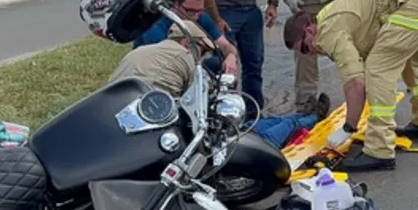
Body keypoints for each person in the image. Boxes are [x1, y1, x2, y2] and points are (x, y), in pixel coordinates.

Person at [282, 0, 418, 172]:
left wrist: (348, 128)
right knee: (411, 60)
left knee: (378, 67)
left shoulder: (328, 31)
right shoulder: (334, 17)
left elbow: (356, 82)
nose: (310, 53)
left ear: (310, 30)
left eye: (305, 47)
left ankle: (380, 149)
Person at [113, 20, 330, 149]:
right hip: (167, 133)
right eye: (203, 50)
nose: (203, 56)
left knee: (255, 124)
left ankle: (304, 115)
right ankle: (311, 118)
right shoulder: (185, 58)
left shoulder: (142, 52)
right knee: (262, 136)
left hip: (132, 124)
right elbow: (200, 108)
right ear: (188, 43)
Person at [134, 0, 238, 75]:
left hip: (185, 69)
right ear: (175, 4)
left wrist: (231, 56)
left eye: (200, 11)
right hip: (154, 74)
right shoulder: (155, 26)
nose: (196, 17)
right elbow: (167, 65)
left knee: (216, 62)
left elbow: (225, 45)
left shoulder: (202, 18)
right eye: (190, 11)